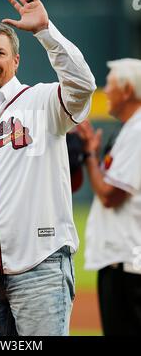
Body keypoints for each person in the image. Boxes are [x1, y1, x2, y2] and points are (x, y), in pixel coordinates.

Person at [0, 0, 96, 336]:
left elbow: (83, 85)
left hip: (40, 269)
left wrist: (46, 32)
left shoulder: (42, 102)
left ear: (15, 60)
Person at [77, 58, 141, 336]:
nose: (105, 91)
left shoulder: (138, 131)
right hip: (122, 260)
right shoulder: (130, 130)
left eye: (111, 84)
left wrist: (90, 156)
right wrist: (92, 152)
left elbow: (109, 195)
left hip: (129, 264)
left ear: (127, 90)